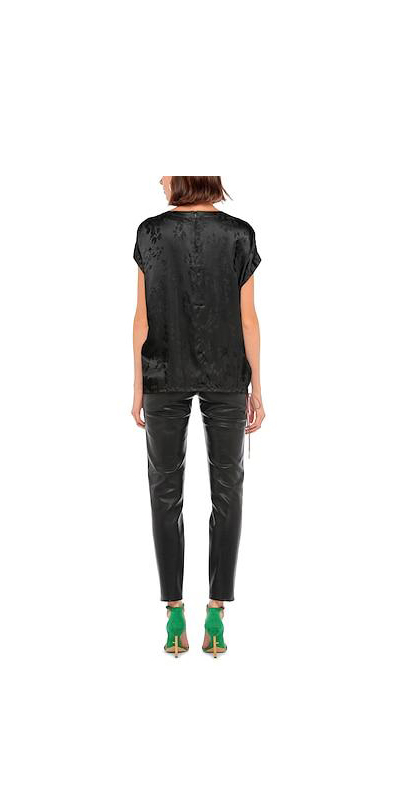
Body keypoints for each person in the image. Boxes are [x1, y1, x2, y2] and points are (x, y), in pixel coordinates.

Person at [132, 176, 265, 657]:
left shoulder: (150, 232)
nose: (159, 178)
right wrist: (257, 386)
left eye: (166, 170)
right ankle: (216, 612)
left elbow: (142, 319)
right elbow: (247, 318)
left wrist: (137, 386)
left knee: (164, 493)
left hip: (163, 373)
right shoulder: (239, 234)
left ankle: (173, 615)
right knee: (228, 491)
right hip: (227, 373)